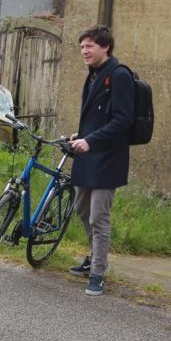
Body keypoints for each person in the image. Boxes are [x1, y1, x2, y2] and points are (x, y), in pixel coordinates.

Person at [66, 25, 136, 297]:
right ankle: (94, 255)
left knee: (98, 216)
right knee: (81, 210)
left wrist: (91, 140)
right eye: (82, 46)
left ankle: (97, 272)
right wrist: (81, 134)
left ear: (105, 47)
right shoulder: (93, 75)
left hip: (108, 158)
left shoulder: (119, 76)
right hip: (87, 153)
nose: (84, 51)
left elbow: (123, 119)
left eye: (90, 46)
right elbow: (97, 115)